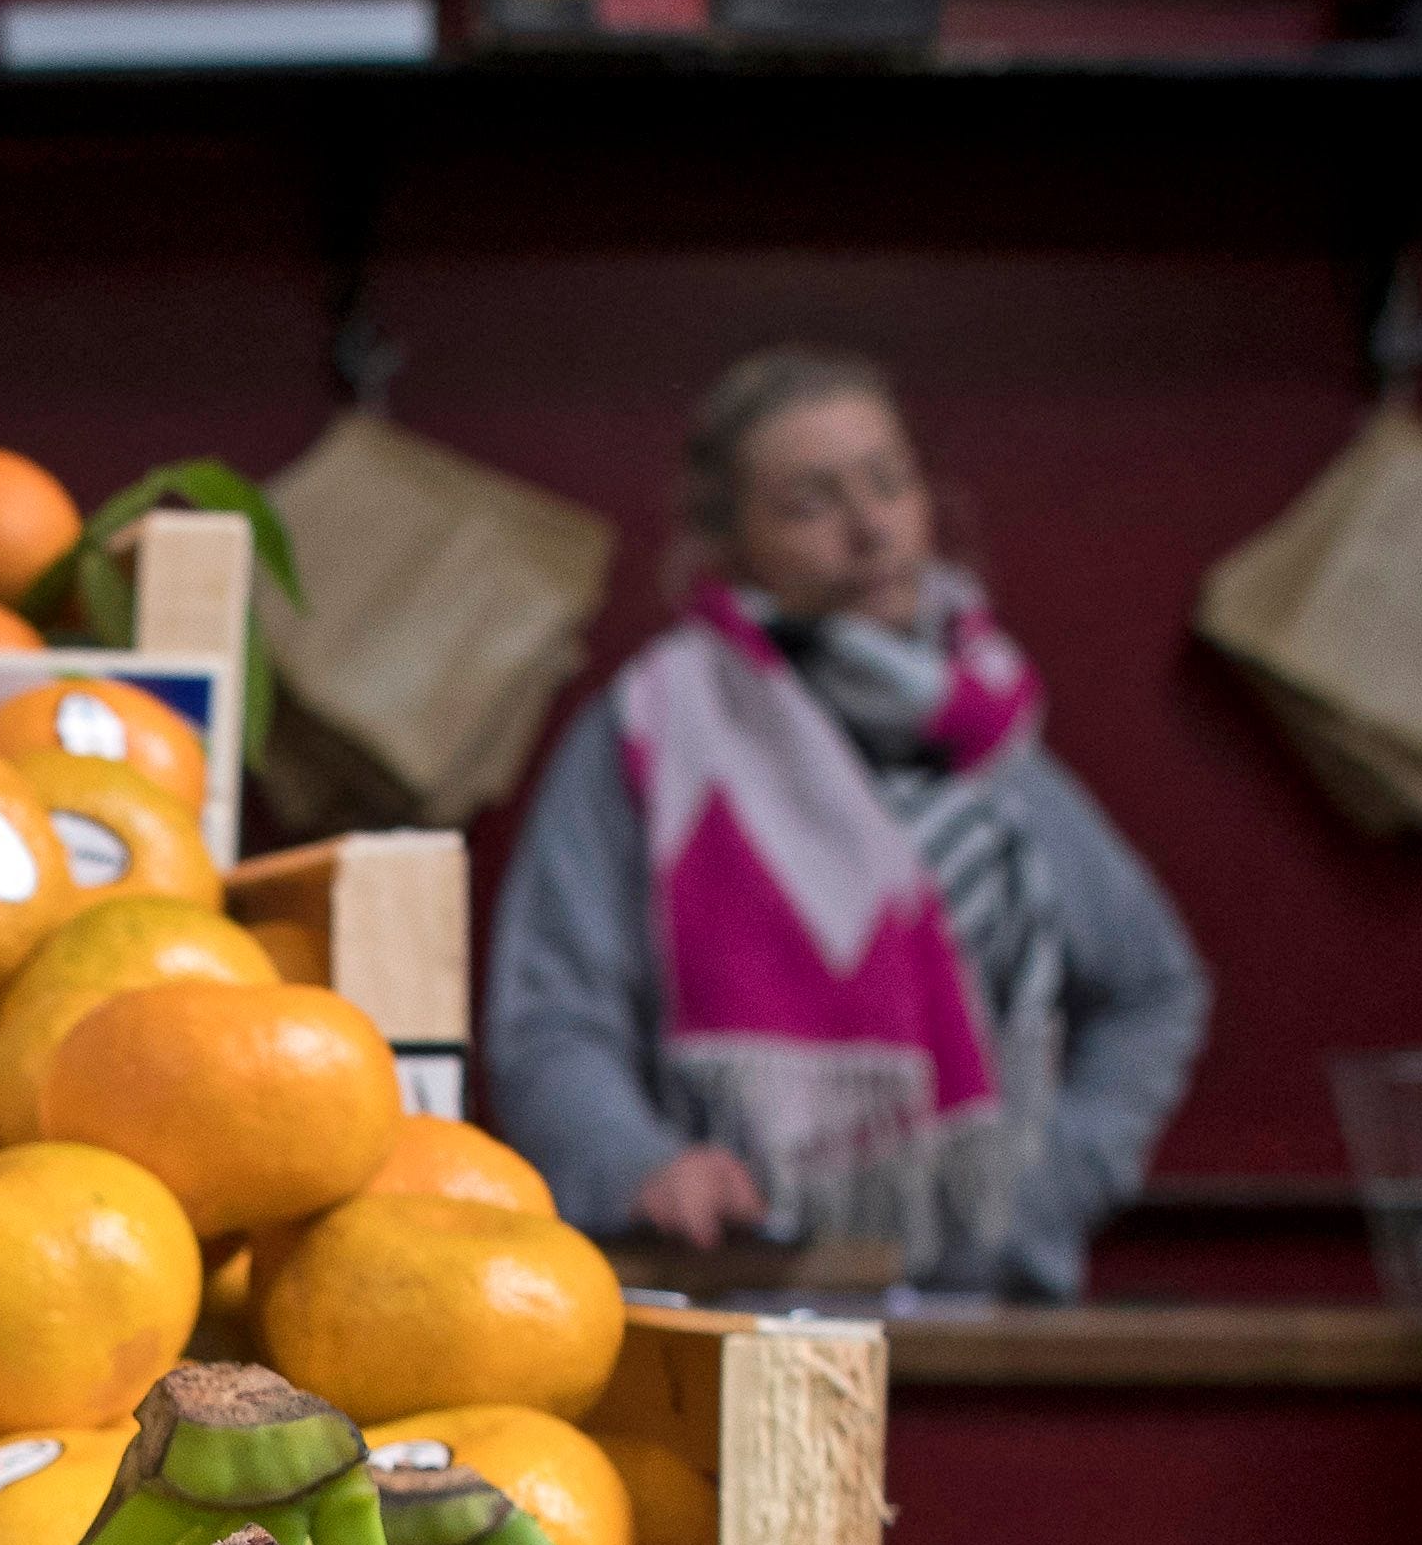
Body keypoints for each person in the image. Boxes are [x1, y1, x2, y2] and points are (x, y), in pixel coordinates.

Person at [483, 348, 1208, 1298]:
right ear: (729, 542)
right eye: (810, 503)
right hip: (727, 1310)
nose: (870, 528)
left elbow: (1154, 987)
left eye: (888, 482)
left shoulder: (985, 740)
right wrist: (639, 1164)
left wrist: (1048, 1181)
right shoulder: (649, 738)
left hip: (978, 1315)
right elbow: (549, 1016)